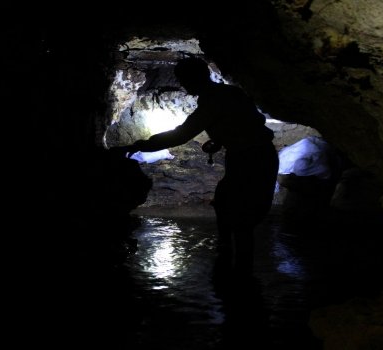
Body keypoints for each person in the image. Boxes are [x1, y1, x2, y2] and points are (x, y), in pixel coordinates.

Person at [111, 57, 279, 276]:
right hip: (251, 155)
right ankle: (228, 258)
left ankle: (240, 272)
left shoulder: (213, 100)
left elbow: (181, 134)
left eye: (184, 80)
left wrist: (139, 146)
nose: (182, 85)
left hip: (252, 158)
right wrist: (221, 139)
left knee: (241, 214)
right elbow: (252, 121)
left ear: (194, 78)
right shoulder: (229, 93)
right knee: (226, 203)